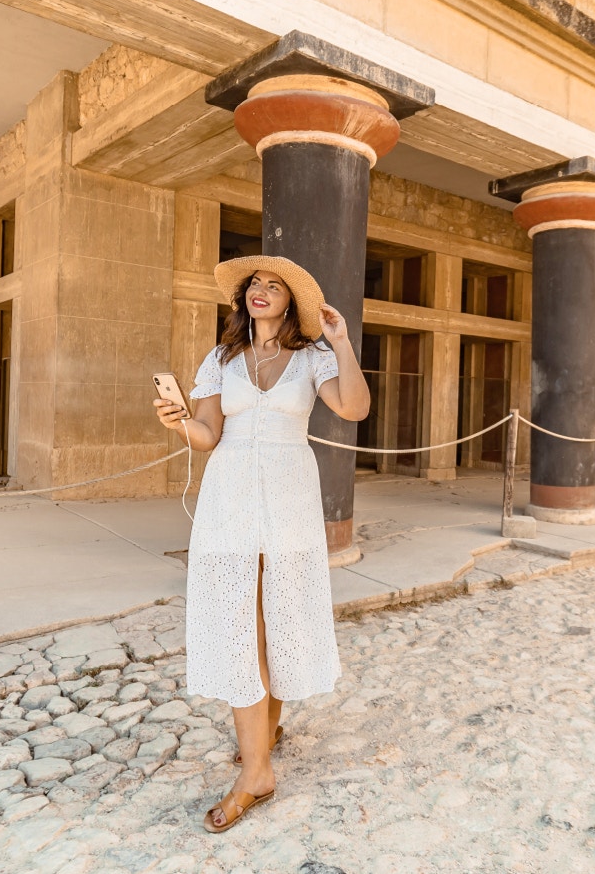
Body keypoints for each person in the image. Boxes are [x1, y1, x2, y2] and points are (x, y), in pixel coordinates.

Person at [155, 255, 370, 833]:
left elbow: (354, 408)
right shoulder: (220, 359)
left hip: (290, 499)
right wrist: (179, 420)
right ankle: (257, 770)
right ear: (243, 298)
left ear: (290, 303)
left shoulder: (314, 357)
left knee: (278, 617)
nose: (262, 290)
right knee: (239, 622)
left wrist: (342, 340)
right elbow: (206, 437)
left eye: (274, 285)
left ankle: (262, 747)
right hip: (228, 499)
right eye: (256, 283)